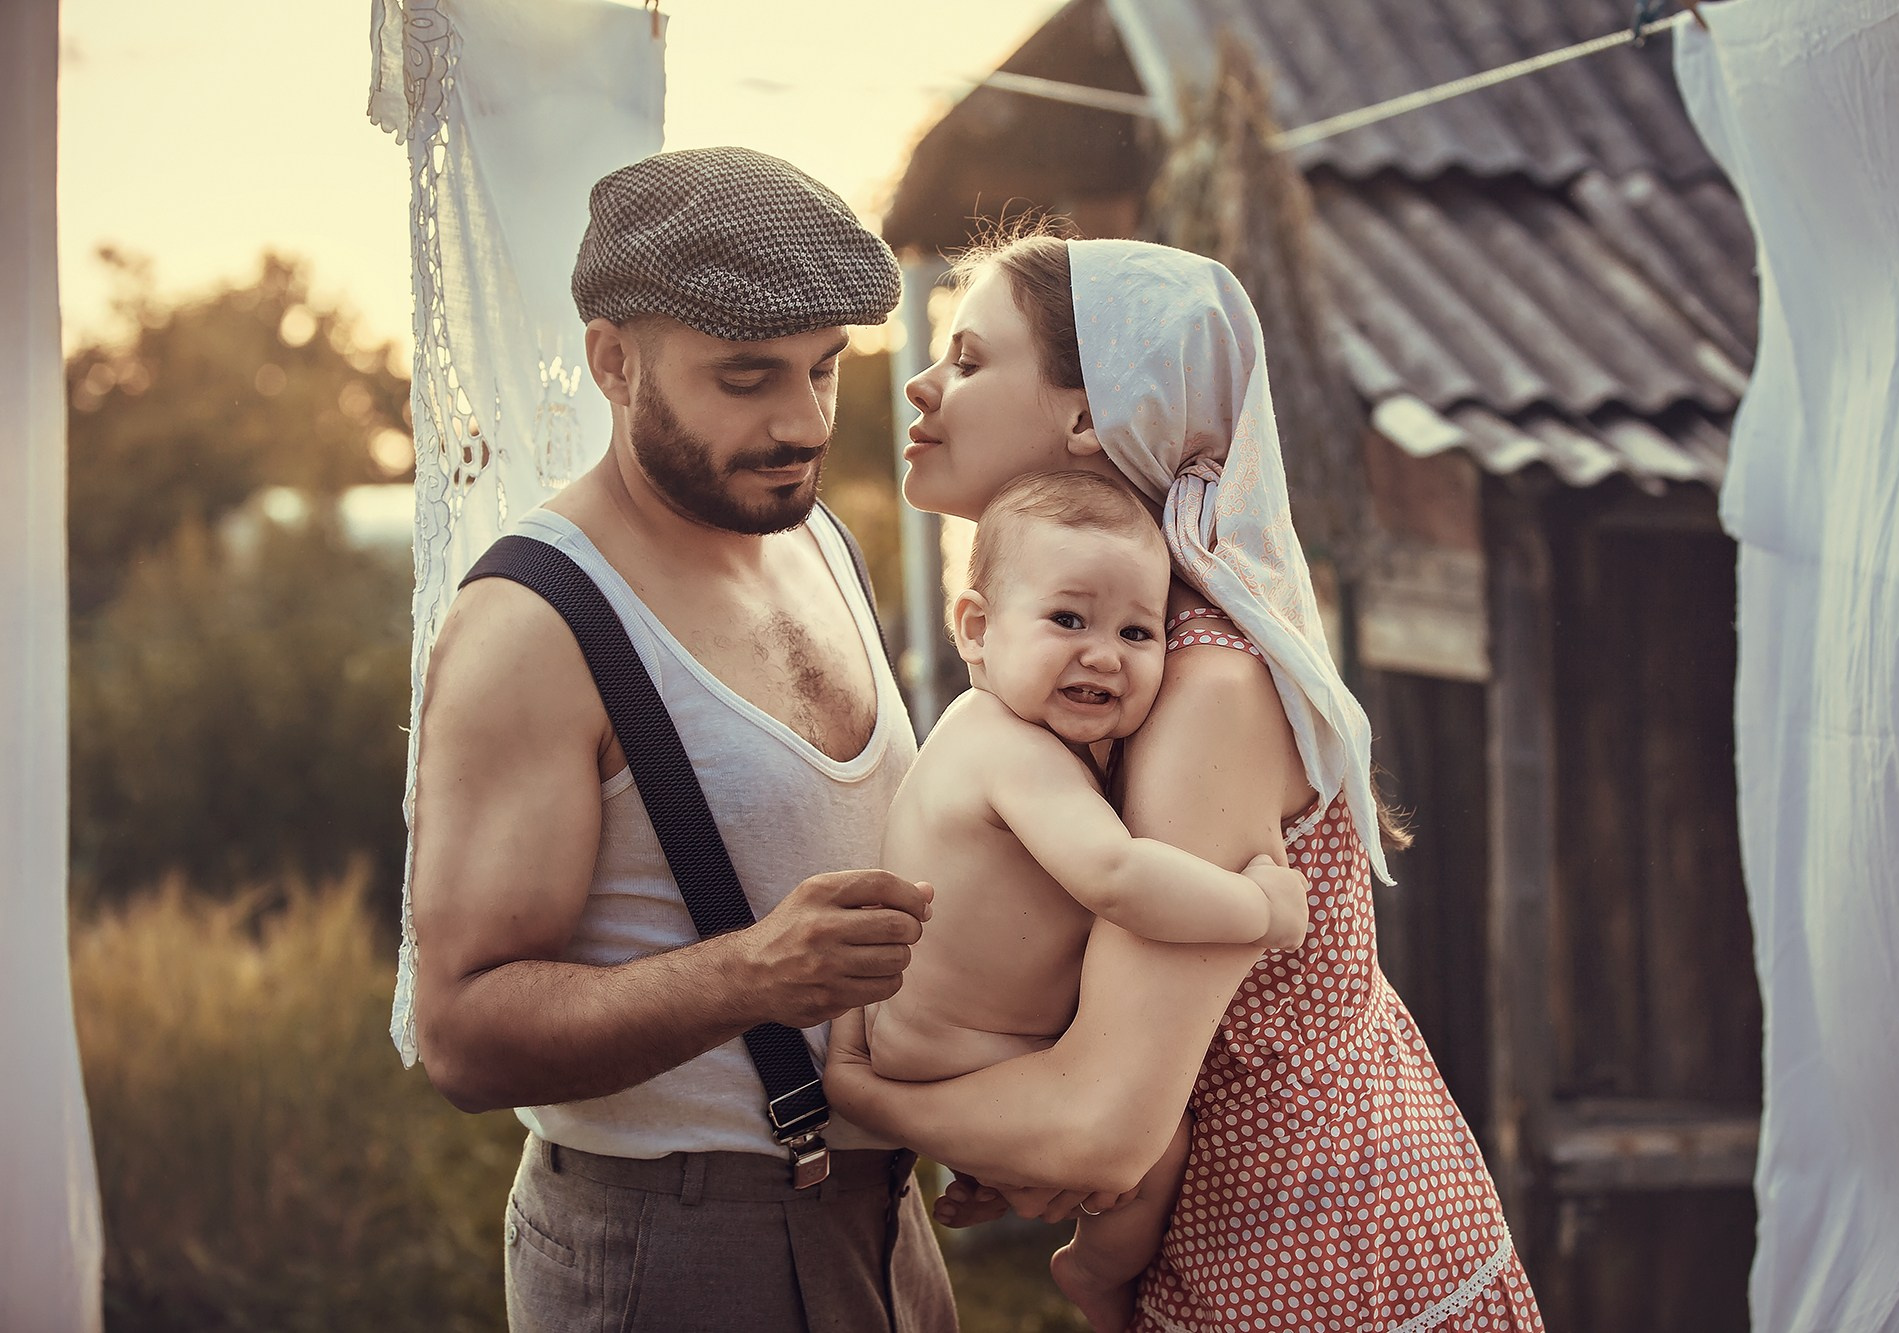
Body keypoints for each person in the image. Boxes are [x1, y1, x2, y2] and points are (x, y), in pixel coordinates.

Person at [824, 233, 1545, 1332]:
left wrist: (873, 1098)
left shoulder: (1196, 689)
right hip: (1252, 1238)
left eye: (967, 360)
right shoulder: (1123, 661)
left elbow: (1104, 1126)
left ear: (1088, 416)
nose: (919, 384)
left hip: (1322, 1259)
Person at [406, 147, 956, 1333]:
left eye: (824, 370)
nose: (802, 422)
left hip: (884, 1223)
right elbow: (461, 1034)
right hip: (679, 1247)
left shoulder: (815, 540)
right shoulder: (535, 625)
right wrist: (753, 975)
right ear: (611, 359)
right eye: (747, 377)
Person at [865, 469, 1310, 1330]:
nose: (1104, 652)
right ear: (979, 630)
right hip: (957, 1050)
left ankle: (1004, 1176)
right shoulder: (1003, 746)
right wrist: (1261, 912)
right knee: (1154, 1144)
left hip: (962, 1039)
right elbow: (1119, 877)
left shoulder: (1039, 742)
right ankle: (1097, 1277)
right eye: (1068, 619)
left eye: (1137, 631)